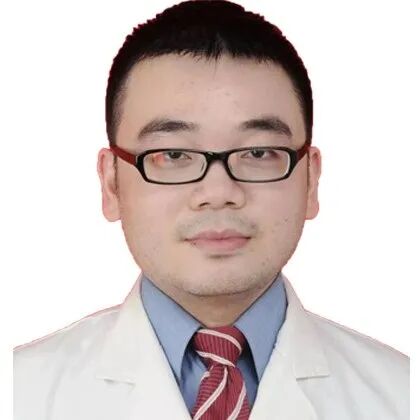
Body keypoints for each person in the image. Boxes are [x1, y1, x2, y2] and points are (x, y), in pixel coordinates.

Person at [13, 1, 409, 419]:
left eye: (258, 152)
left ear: (310, 180)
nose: (218, 192)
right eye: (173, 154)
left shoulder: (400, 393)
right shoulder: (21, 393)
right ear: (111, 183)